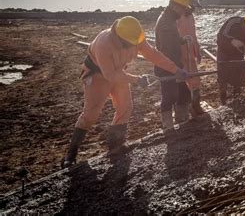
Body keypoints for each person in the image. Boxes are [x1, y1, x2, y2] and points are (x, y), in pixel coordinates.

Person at [61, 16, 187, 168]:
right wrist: (136, 79)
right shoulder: (104, 43)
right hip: (97, 75)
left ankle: (115, 146)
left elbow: (152, 54)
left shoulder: (134, 36)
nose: (133, 45)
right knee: (90, 114)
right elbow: (110, 75)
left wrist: (175, 69)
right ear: (119, 38)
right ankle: (71, 154)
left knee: (125, 107)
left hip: (120, 72)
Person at [155, 0, 194, 132]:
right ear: (175, 5)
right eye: (183, 8)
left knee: (183, 94)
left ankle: (182, 119)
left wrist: (182, 40)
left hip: (173, 65)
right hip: (166, 66)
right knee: (169, 96)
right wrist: (175, 69)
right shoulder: (165, 23)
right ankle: (168, 125)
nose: (184, 11)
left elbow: (173, 40)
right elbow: (166, 50)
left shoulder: (170, 19)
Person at [216, 12, 245, 105]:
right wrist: (231, 41)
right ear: (244, 23)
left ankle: (237, 96)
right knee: (222, 73)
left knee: (237, 74)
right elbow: (220, 36)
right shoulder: (233, 22)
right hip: (224, 50)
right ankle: (223, 96)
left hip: (238, 53)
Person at [176, 0, 204, 118]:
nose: (192, 9)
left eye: (193, 7)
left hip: (190, 54)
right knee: (181, 82)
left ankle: (196, 104)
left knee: (195, 80)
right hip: (179, 55)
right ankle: (182, 109)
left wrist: (197, 52)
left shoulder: (190, 17)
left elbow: (194, 35)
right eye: (191, 6)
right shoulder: (176, 19)